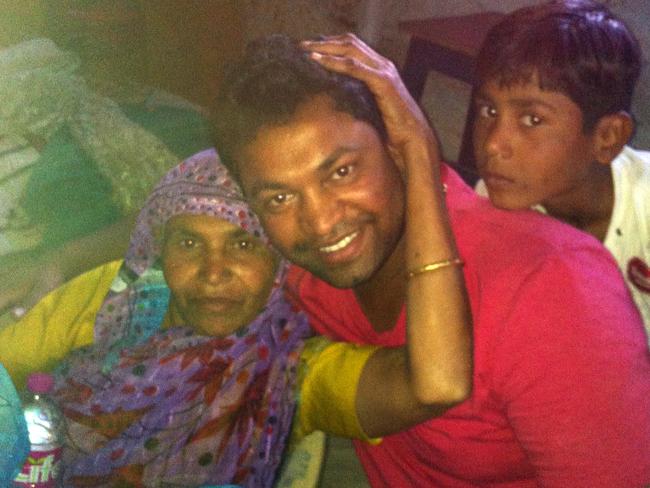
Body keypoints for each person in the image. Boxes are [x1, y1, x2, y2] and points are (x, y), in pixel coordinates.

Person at [211, 33, 650, 486]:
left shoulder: (552, 288)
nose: (321, 223)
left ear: (397, 148)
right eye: (280, 197)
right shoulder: (293, 272)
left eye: (342, 171)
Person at [0, 147, 473, 486]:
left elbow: (436, 386)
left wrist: (417, 157)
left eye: (244, 245)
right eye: (188, 244)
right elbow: (8, 360)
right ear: (159, 249)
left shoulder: (297, 371)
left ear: (282, 261)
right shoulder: (118, 297)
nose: (212, 273)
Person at [471, 0, 650, 333]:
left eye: (532, 119)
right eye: (488, 111)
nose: (493, 144)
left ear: (607, 137)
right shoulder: (496, 203)